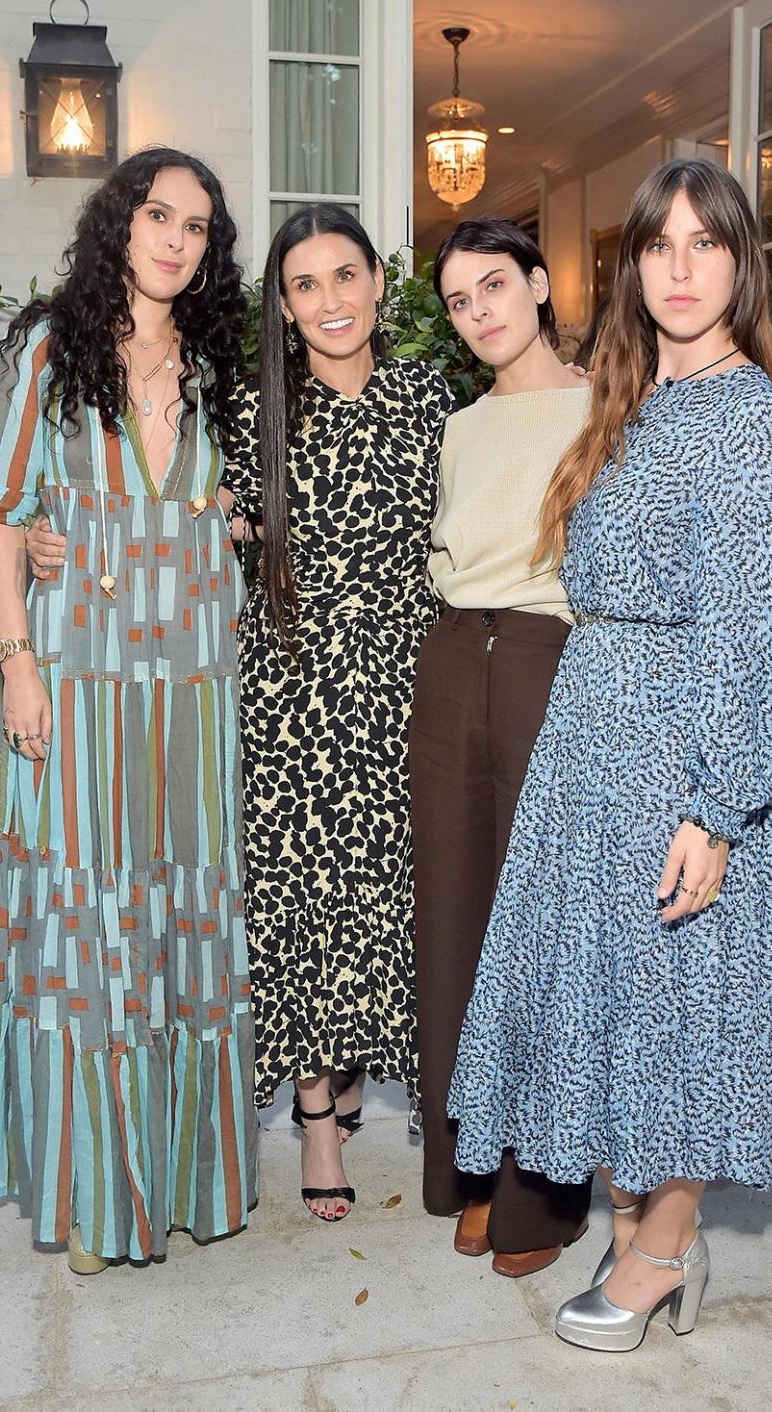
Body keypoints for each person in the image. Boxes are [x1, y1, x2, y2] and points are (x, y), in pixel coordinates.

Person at [448, 158, 772, 1352]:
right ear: (634, 265)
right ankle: (642, 1223)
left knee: (680, 1008)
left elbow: (752, 625)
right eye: (661, 246)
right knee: (607, 1005)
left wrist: (717, 805)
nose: (683, 268)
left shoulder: (751, 413)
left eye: (708, 244)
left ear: (741, 265)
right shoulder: (639, 397)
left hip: (679, 740)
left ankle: (664, 1248)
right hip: (594, 727)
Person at [0, 147, 257, 1272]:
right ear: (117, 225)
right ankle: (95, 1191)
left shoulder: (220, 363)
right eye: (157, 215)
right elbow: (2, 521)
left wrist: (234, 514)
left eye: (196, 224)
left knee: (178, 930)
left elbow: (247, 500)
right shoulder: (52, 349)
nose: (177, 239)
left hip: (193, 688)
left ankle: (182, 1178)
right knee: (92, 927)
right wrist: (18, 662)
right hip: (79, 684)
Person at [223, 204, 453, 1222]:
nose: (330, 302)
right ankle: (317, 1113)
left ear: (378, 281)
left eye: (346, 276)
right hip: (289, 693)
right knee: (304, 898)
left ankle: (353, 1051)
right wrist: (52, 543)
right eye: (305, 284)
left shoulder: (430, 397)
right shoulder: (250, 409)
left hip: (408, 681)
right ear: (281, 303)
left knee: (384, 894)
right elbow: (183, 524)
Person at [409, 217, 592, 1277]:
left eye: (494, 287)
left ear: (537, 284)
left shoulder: (607, 407)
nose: (479, 312)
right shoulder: (460, 425)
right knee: (456, 921)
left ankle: (537, 1195)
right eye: (459, 300)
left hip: (547, 661)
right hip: (450, 659)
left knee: (542, 930)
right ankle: (469, 1171)